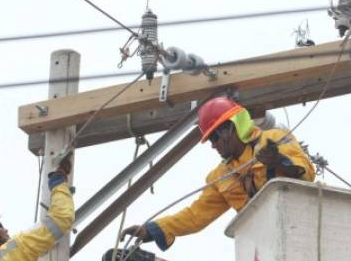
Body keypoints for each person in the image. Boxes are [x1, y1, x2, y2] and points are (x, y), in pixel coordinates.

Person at [121, 96, 316, 251]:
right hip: (265, 243)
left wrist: (278, 161)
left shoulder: (273, 139)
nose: (213, 145)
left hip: (302, 229)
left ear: (232, 127)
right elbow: (195, 216)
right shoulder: (222, 176)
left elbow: (306, 174)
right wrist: (151, 230)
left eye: (215, 137)